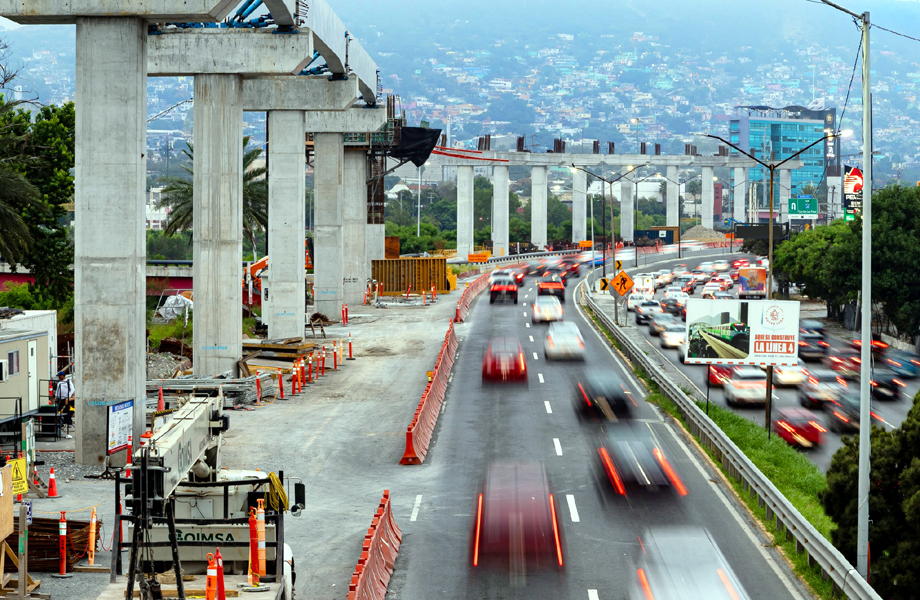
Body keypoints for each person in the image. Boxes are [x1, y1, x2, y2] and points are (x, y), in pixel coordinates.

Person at [54, 371, 75, 438]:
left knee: (68, 410)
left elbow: (72, 389)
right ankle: (61, 423)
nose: (59, 377)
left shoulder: (68, 381)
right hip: (60, 398)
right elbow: (57, 390)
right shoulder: (59, 382)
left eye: (59, 376)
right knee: (59, 411)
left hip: (66, 399)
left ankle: (69, 422)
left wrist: (68, 396)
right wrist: (56, 397)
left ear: (62, 376)